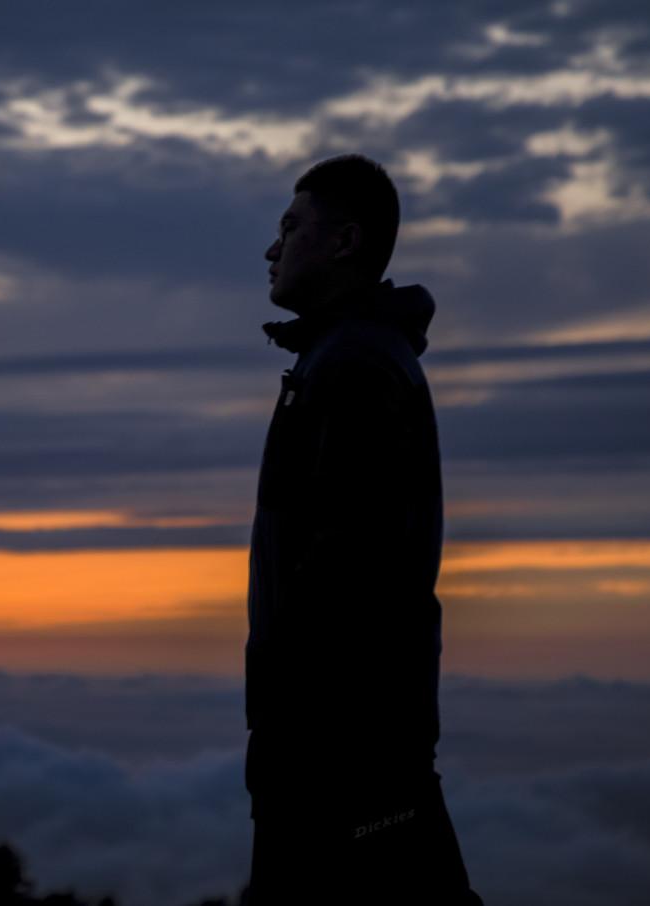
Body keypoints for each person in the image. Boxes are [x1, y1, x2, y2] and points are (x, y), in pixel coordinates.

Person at [244, 154, 482, 903]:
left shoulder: (353, 367)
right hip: (350, 743)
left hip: (341, 753)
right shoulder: (342, 358)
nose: (271, 248)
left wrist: (292, 738)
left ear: (343, 243)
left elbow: (350, 568)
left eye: (290, 228)